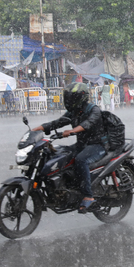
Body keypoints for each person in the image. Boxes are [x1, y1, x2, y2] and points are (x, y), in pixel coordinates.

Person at [32, 82, 107, 213]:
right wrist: (39, 128)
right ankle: (69, 187)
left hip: (97, 145)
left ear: (81, 97)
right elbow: (58, 122)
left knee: (81, 160)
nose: (68, 100)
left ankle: (88, 196)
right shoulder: (73, 111)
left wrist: (72, 131)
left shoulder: (93, 110)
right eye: (67, 97)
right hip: (82, 145)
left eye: (71, 97)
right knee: (59, 155)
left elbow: (88, 123)